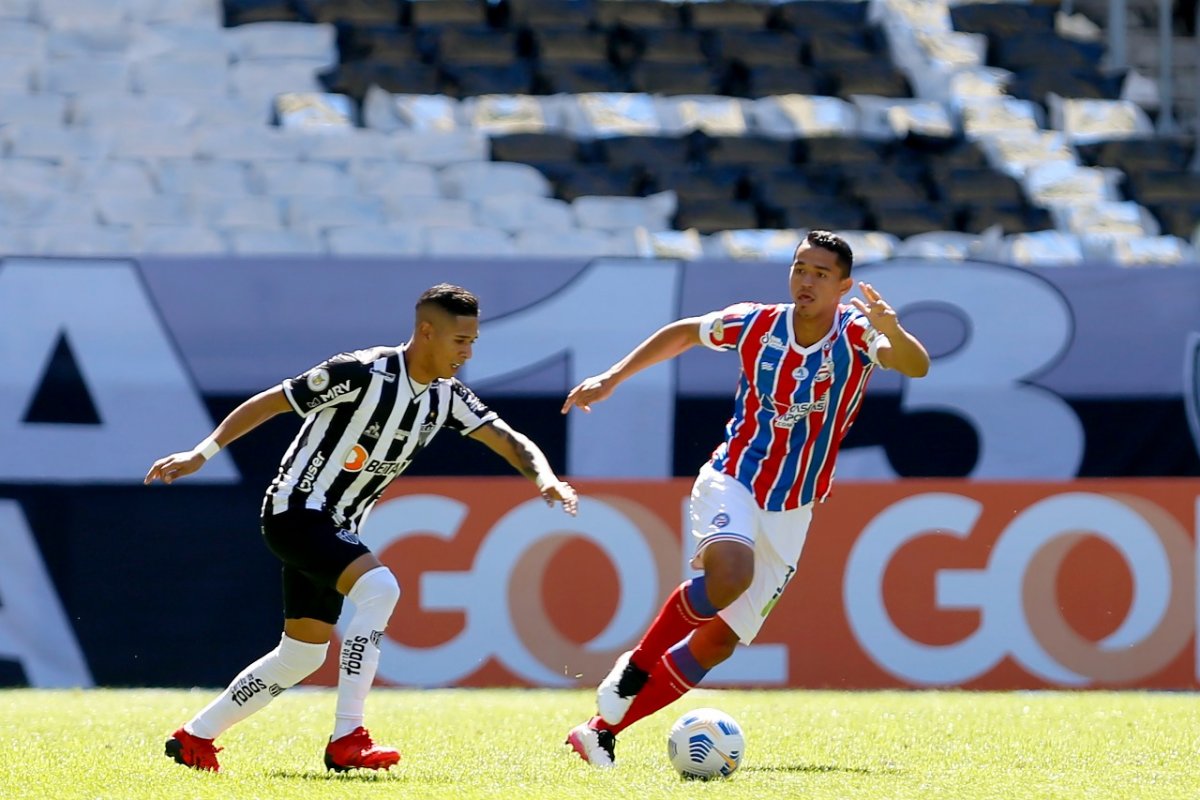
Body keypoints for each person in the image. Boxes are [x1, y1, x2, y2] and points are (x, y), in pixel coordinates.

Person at [145, 283, 578, 773]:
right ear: (426, 332)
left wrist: (546, 479)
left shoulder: (446, 398)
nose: (468, 351)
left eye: (473, 340)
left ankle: (194, 737)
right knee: (380, 589)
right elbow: (271, 401)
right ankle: (348, 737)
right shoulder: (358, 373)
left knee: (300, 657)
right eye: (460, 340)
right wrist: (200, 454)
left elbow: (508, 439)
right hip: (297, 512)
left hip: (337, 524)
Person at [560, 230, 930, 767]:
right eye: (800, 268)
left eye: (821, 274)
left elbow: (914, 365)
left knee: (719, 642)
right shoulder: (757, 323)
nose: (806, 281)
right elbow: (685, 332)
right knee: (729, 575)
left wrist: (893, 329)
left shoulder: (856, 333)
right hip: (734, 476)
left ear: (844, 286)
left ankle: (600, 733)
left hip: (794, 505)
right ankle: (636, 666)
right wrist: (613, 377)